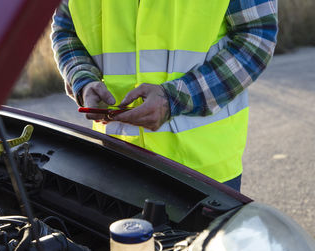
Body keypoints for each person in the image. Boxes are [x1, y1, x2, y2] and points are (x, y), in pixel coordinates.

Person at [51, 0, 278, 192]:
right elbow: (65, 32)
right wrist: (82, 78)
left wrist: (176, 97)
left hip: (203, 171)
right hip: (116, 158)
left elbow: (257, 37)